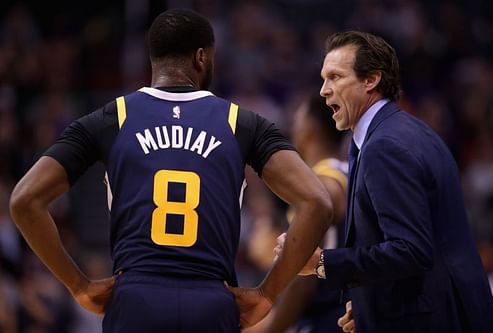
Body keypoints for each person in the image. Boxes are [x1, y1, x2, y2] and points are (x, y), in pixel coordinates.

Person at [9, 9, 333, 333]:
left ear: (153, 60)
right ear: (202, 57)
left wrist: (77, 284)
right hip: (211, 300)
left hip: (135, 298)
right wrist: (267, 293)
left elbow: (25, 199)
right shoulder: (241, 122)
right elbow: (316, 201)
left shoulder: (112, 117)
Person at [272, 31, 493, 332]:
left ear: (371, 80)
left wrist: (322, 262)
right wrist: (369, 302)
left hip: (436, 319)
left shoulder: (385, 147)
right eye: (324, 78)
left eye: (336, 77)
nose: (324, 90)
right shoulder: (402, 131)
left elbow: (411, 249)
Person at [250, 94, 348, 333]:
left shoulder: (321, 185)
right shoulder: (345, 171)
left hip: (323, 320)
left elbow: (302, 279)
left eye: (297, 119)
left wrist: (272, 328)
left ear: (310, 129)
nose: (292, 127)